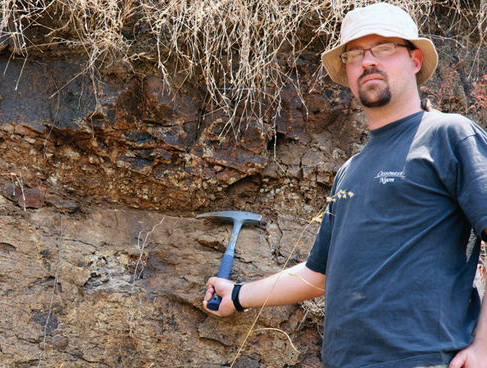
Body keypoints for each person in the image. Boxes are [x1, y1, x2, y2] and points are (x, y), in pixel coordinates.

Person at [203, 3, 487, 368]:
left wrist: (482, 346)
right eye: (355, 54)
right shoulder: (350, 171)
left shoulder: (449, 135)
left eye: (384, 48)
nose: (369, 61)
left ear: (415, 60)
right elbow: (317, 275)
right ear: (348, 72)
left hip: (426, 357)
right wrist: (239, 295)